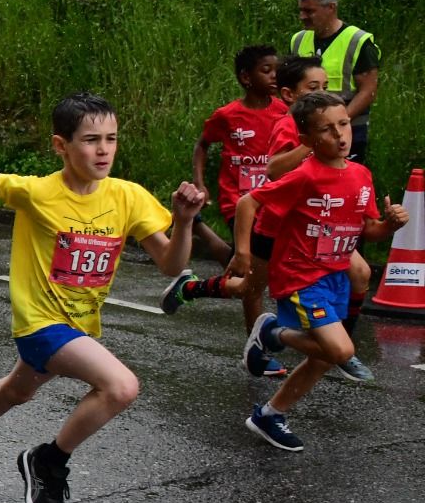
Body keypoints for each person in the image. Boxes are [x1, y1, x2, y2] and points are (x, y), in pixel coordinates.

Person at [0, 93, 204, 503]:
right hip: (39, 322)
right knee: (121, 387)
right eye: (91, 140)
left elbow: (170, 264)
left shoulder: (128, 197)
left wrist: (184, 222)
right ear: (61, 146)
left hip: (79, 324)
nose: (103, 150)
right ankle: (48, 462)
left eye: (111, 139)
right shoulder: (40, 192)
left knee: (19, 390)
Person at [237, 92, 408, 450]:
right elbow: (248, 201)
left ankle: (269, 414)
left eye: (343, 124)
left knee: (323, 358)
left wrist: (390, 224)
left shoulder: (361, 175)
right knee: (340, 352)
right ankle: (273, 332)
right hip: (301, 277)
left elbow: (369, 230)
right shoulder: (305, 176)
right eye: (327, 130)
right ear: (307, 140)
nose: (340, 135)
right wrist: (242, 252)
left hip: (335, 277)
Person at [261, 57, 376, 383]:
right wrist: (309, 145)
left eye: (327, 87)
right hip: (295, 219)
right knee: (244, 285)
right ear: (289, 94)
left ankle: (342, 347)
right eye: (315, 88)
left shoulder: (334, 127)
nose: (324, 93)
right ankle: (273, 335)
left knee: (362, 272)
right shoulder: (291, 126)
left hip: (330, 222)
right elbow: (273, 171)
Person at [160, 45, 284, 340]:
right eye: (266, 70)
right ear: (245, 77)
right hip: (238, 202)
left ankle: (197, 239)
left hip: (272, 203)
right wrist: (199, 182)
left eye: (276, 70)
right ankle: (258, 348)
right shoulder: (228, 115)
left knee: (245, 271)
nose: (274, 76)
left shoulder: (284, 112)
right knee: (250, 278)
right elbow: (202, 145)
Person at [289, 0, 380, 164]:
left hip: (349, 132)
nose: (302, 16)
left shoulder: (358, 41)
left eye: (309, 11)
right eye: (301, 10)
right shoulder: (298, 40)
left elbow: (368, 90)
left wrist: (338, 122)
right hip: (306, 131)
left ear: (331, 8)